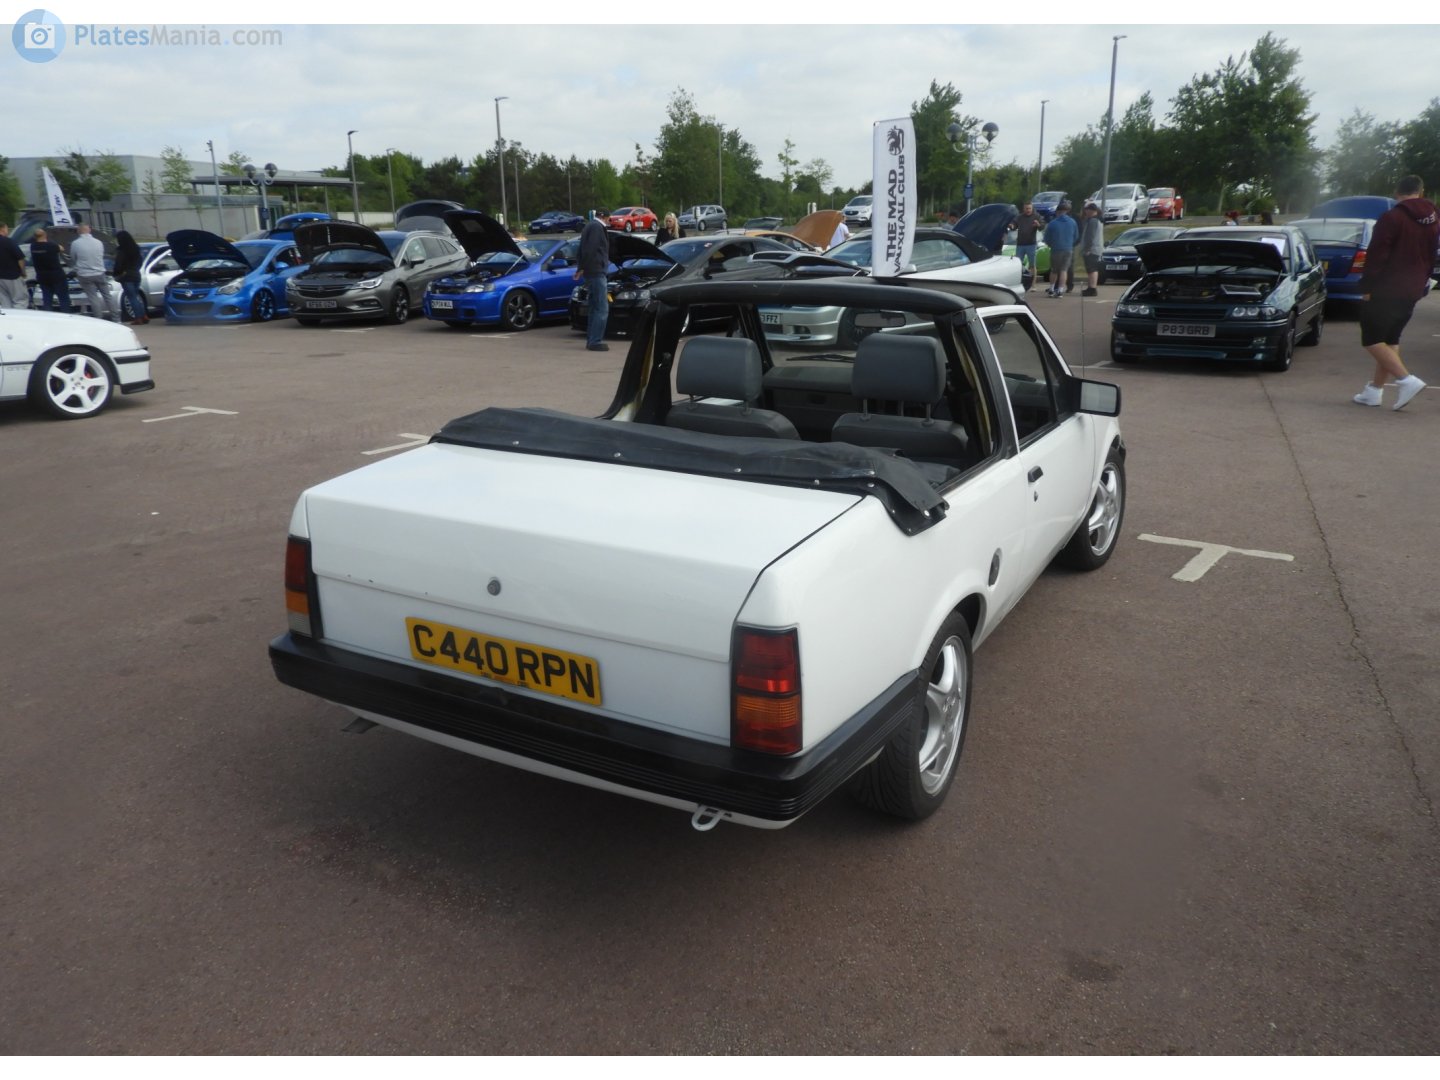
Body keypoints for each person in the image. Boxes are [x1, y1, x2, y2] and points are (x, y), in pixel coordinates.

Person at [1351, 174, 1437, 411]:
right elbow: (1432, 252)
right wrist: (1425, 279)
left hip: (1386, 287)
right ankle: (1374, 391)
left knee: (1371, 339)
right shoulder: (1434, 218)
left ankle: (1406, 380)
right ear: (1421, 192)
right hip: (1414, 286)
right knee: (1390, 339)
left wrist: (1367, 287)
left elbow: (1377, 255)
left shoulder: (1392, 218)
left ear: (1397, 193)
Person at [575, 215, 610, 351]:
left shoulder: (589, 226)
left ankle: (591, 339)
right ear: (605, 217)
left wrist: (581, 267)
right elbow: (591, 249)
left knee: (594, 307)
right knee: (601, 308)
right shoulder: (597, 227)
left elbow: (581, 249)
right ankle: (595, 341)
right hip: (596, 270)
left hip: (590, 271)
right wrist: (583, 267)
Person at [71, 224, 118, 321]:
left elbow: (73, 258)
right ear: (89, 230)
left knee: (93, 297)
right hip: (99, 272)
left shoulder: (75, 243)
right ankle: (116, 318)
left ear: (79, 231)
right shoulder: (98, 242)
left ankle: (99, 318)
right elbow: (101, 255)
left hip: (84, 273)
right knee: (107, 296)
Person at [28, 227, 72, 312]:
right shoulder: (51, 245)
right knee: (63, 299)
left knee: (47, 299)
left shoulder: (33, 246)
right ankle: (66, 315)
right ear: (45, 235)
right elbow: (62, 248)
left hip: (42, 277)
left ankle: (48, 315)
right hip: (57, 276)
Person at [112, 229, 149, 325]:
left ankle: (138, 318)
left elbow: (118, 265)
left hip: (127, 276)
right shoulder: (136, 249)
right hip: (136, 274)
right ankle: (144, 315)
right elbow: (140, 262)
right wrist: (135, 269)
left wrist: (116, 273)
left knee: (131, 297)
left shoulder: (121, 251)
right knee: (136, 297)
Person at [1042, 201, 1078, 297]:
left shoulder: (1052, 223)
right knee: (1064, 270)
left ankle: (1052, 288)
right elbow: (1076, 236)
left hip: (1056, 249)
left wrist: (1051, 244)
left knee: (1054, 270)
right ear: (1067, 211)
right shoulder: (1072, 222)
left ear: (1058, 211)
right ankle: (1060, 290)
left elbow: (1046, 238)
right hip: (1068, 249)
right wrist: (1070, 243)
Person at [1012, 201, 1044, 290]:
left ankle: (1033, 285)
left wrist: (1038, 224)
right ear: (1023, 209)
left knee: (1032, 265)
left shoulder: (1036, 216)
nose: (1028, 210)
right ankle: (1019, 283)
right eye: (1026, 208)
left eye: (1029, 208)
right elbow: (1014, 225)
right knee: (1018, 265)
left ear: (1032, 208)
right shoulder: (1019, 217)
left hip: (1031, 244)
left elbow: (1042, 226)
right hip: (1020, 244)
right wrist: (1011, 225)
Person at [1078, 202, 1104, 297]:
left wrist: (1088, 248)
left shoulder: (1093, 221)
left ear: (1091, 210)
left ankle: (1092, 288)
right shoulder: (1097, 220)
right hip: (1095, 248)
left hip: (1092, 249)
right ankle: (1090, 287)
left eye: (1086, 210)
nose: (1085, 212)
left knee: (1092, 269)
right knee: (1091, 269)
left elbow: (1090, 236)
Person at [0, 223, 26, 309]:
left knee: (4, 302)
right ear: (3, 229)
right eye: (7, 229)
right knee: (20, 301)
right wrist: (23, 272)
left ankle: (8, 317)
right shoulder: (8, 241)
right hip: (12, 276)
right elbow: (20, 258)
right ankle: (19, 316)